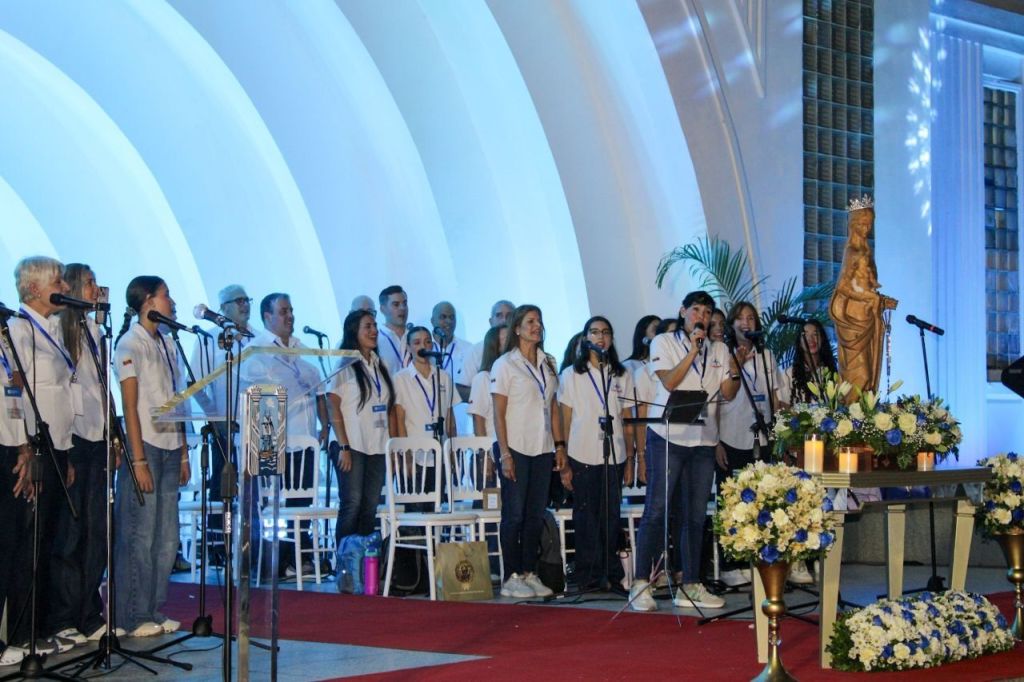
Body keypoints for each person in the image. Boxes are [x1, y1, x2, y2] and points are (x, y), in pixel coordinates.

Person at [629, 291, 740, 612]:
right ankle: (640, 584)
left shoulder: (719, 349)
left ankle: (690, 584)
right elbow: (670, 382)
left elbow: (728, 394)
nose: (701, 317)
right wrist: (693, 350)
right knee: (657, 510)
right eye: (695, 310)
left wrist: (735, 367)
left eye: (706, 312)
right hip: (668, 437)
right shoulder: (663, 342)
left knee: (695, 515)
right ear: (683, 312)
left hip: (703, 441)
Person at [7, 257, 78, 654]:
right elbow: (16, 395)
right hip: (35, 447)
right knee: (29, 545)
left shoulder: (52, 328)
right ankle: (21, 633)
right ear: (33, 288)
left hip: (58, 446)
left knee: (49, 541)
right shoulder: (19, 329)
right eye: (57, 281)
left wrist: (66, 454)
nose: (64, 287)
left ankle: (41, 627)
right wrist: (27, 449)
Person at [112, 275, 190, 637]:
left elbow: (178, 401)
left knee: (167, 537)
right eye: (165, 295)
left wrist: (185, 452)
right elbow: (129, 406)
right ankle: (132, 615)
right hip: (146, 446)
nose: (171, 302)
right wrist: (137, 460)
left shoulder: (168, 343)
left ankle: (154, 609)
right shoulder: (130, 343)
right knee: (139, 535)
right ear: (147, 301)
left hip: (171, 445)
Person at [49, 264, 115, 645]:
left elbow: (102, 388)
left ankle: (88, 612)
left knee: (96, 533)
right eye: (89, 283)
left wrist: (113, 436)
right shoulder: (61, 329)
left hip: (97, 438)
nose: (96, 288)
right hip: (73, 439)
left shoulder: (95, 331)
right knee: (70, 534)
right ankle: (62, 617)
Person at [242, 293, 329, 578]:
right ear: (267, 317)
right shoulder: (256, 349)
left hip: (306, 438)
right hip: (272, 438)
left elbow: (317, 384)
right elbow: (260, 387)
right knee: (273, 503)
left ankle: (298, 558)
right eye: (283, 311)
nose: (290, 316)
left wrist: (325, 425)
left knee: (301, 501)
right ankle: (273, 562)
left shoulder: (300, 347)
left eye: (291, 310)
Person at [491, 305, 566, 599]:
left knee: (535, 514)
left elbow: (553, 408)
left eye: (539, 321)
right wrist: (505, 454)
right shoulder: (505, 364)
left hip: (542, 447)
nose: (537, 326)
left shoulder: (548, 362)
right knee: (515, 514)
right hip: (515, 446)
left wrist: (559, 446)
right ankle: (511, 576)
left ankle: (529, 572)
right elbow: (498, 413)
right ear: (517, 329)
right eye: (530, 321)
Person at [557, 316, 635, 589]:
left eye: (606, 332)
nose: (601, 337)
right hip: (582, 453)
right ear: (586, 338)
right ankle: (589, 576)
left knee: (611, 516)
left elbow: (627, 420)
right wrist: (564, 458)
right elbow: (565, 418)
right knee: (586, 517)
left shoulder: (621, 374)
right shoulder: (571, 374)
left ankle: (612, 574)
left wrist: (631, 458)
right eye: (595, 332)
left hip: (615, 454)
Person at [715, 301, 782, 587]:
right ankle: (732, 563)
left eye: (751, 318)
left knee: (762, 500)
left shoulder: (767, 356)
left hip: (763, 436)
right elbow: (725, 396)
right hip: (731, 436)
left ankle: (761, 559)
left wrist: (779, 434)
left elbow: (775, 397)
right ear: (732, 325)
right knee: (733, 503)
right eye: (741, 318)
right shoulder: (723, 353)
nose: (746, 322)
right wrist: (737, 366)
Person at [190, 284, 255, 545]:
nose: (245, 305)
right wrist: (214, 415)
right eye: (239, 301)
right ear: (224, 308)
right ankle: (219, 542)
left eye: (247, 299)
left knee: (254, 490)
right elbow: (194, 383)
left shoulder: (258, 338)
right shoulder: (208, 339)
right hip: (225, 427)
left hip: (257, 426)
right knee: (222, 486)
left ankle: (252, 545)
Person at [329, 310, 395, 544]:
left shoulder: (381, 364)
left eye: (375, 326)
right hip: (352, 444)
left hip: (378, 444)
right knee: (352, 503)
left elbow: (389, 406)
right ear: (353, 331)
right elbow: (332, 404)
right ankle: (345, 559)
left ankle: (365, 560)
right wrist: (343, 446)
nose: (374, 331)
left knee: (370, 505)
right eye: (367, 326)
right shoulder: (344, 363)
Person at [0, 319, 33, 665]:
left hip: (9, 449)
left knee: (7, 544)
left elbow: (14, 398)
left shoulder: (4, 341)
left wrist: (23, 447)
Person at [393, 327, 460, 441]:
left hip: (442, 446)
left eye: (427, 342)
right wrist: (406, 450)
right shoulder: (400, 379)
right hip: (415, 448)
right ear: (408, 347)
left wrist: (453, 449)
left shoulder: (444, 377)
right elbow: (400, 421)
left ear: (432, 346)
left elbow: (450, 420)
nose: (423, 346)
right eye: (417, 343)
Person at [622, 315, 660, 486]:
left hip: (662, 435)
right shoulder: (629, 366)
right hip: (640, 439)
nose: (660, 335)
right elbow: (629, 411)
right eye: (655, 330)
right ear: (643, 336)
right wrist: (635, 455)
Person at [777, 318, 837, 407]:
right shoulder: (788, 374)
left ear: (822, 339)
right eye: (805, 335)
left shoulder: (830, 371)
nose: (810, 339)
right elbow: (781, 404)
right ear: (799, 342)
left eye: (815, 334)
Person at [464, 299, 515, 379]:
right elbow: (464, 384)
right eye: (499, 316)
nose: (504, 320)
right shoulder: (475, 351)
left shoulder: (522, 348)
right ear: (491, 322)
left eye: (509, 316)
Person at [376, 285, 411, 376]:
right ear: (383, 309)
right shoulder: (376, 340)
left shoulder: (415, 336)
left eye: (405, 303)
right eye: (396, 304)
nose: (402, 308)